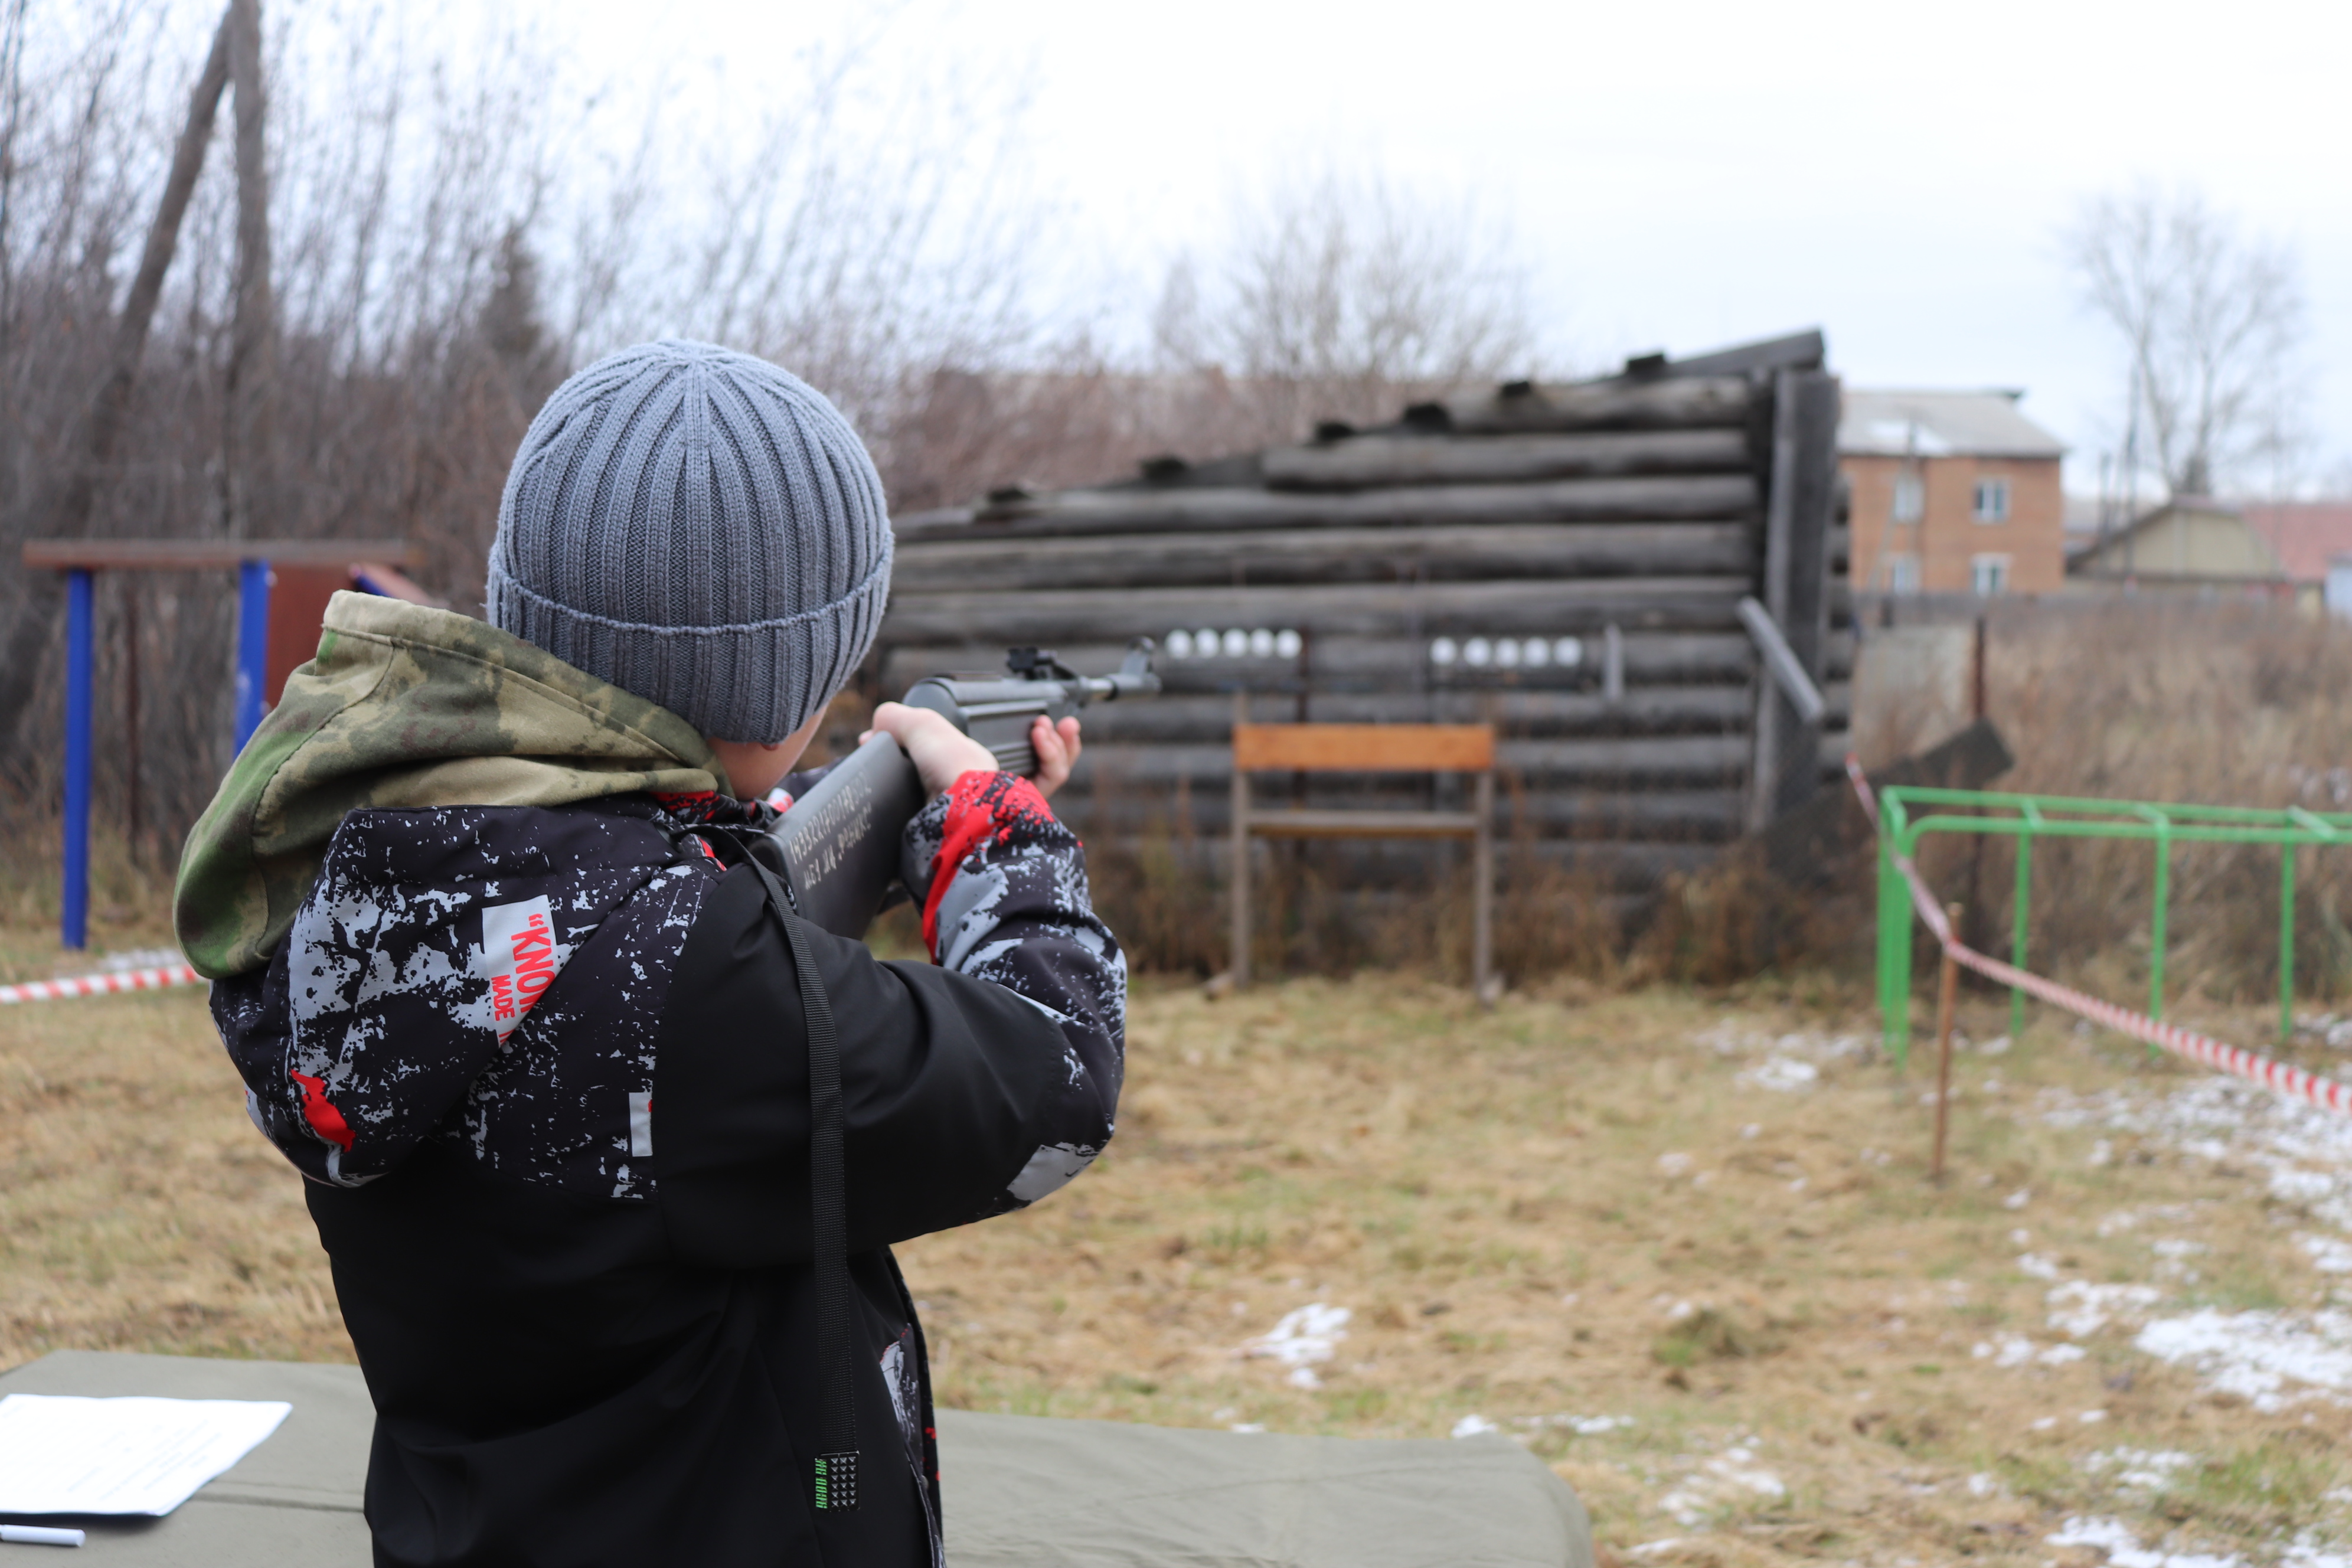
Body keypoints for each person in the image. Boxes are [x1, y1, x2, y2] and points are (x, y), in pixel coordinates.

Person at [173, 339, 1125, 1567]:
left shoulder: (398, 863)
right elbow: (1056, 1077)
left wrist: (892, 827)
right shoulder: (694, 980)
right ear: (784, 671)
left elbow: (637, 892)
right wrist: (1004, 840)